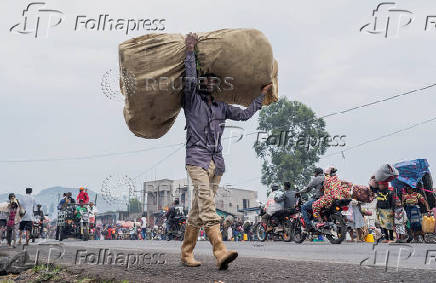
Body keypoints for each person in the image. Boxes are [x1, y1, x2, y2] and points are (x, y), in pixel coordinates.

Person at [180, 32, 271, 270]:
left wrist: (261, 96)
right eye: (205, 79)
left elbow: (244, 114)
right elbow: (189, 80)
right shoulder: (192, 101)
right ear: (201, 83)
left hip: (216, 163)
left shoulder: (221, 107)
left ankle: (186, 253)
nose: (209, 82)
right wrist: (190, 51)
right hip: (196, 160)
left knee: (198, 210)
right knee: (208, 206)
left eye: (213, 80)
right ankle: (220, 251)